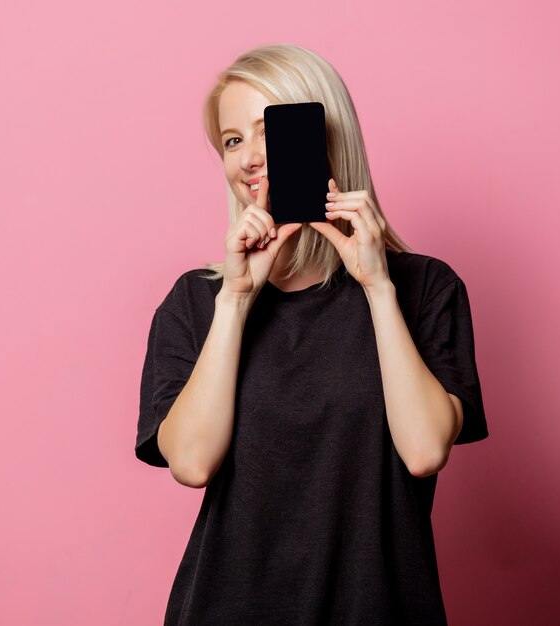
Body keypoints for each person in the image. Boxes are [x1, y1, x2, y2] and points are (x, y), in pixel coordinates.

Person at [135, 43, 488, 625]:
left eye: (268, 129)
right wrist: (237, 300)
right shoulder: (197, 302)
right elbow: (192, 464)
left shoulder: (424, 288)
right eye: (231, 140)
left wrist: (376, 285)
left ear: (327, 137)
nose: (248, 157)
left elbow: (425, 452)